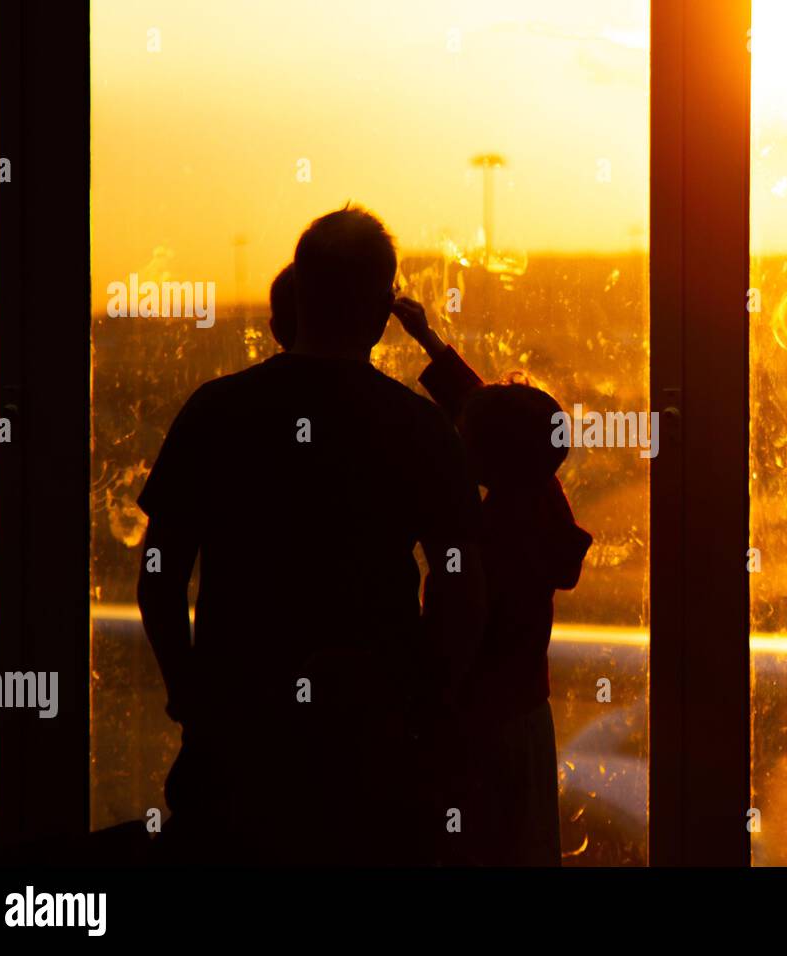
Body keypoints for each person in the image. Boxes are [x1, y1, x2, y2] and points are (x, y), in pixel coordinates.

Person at [136, 205, 486, 864]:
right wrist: (428, 700)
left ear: (299, 293)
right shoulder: (419, 429)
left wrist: (191, 693)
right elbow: (462, 584)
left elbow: (159, 575)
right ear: (384, 310)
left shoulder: (216, 411)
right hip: (371, 754)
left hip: (238, 749)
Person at [392, 297, 593, 866]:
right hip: (525, 715)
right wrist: (427, 339)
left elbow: (465, 619)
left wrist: (433, 701)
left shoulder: (496, 531)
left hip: (480, 722)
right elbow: (491, 413)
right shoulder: (539, 495)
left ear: (484, 453)